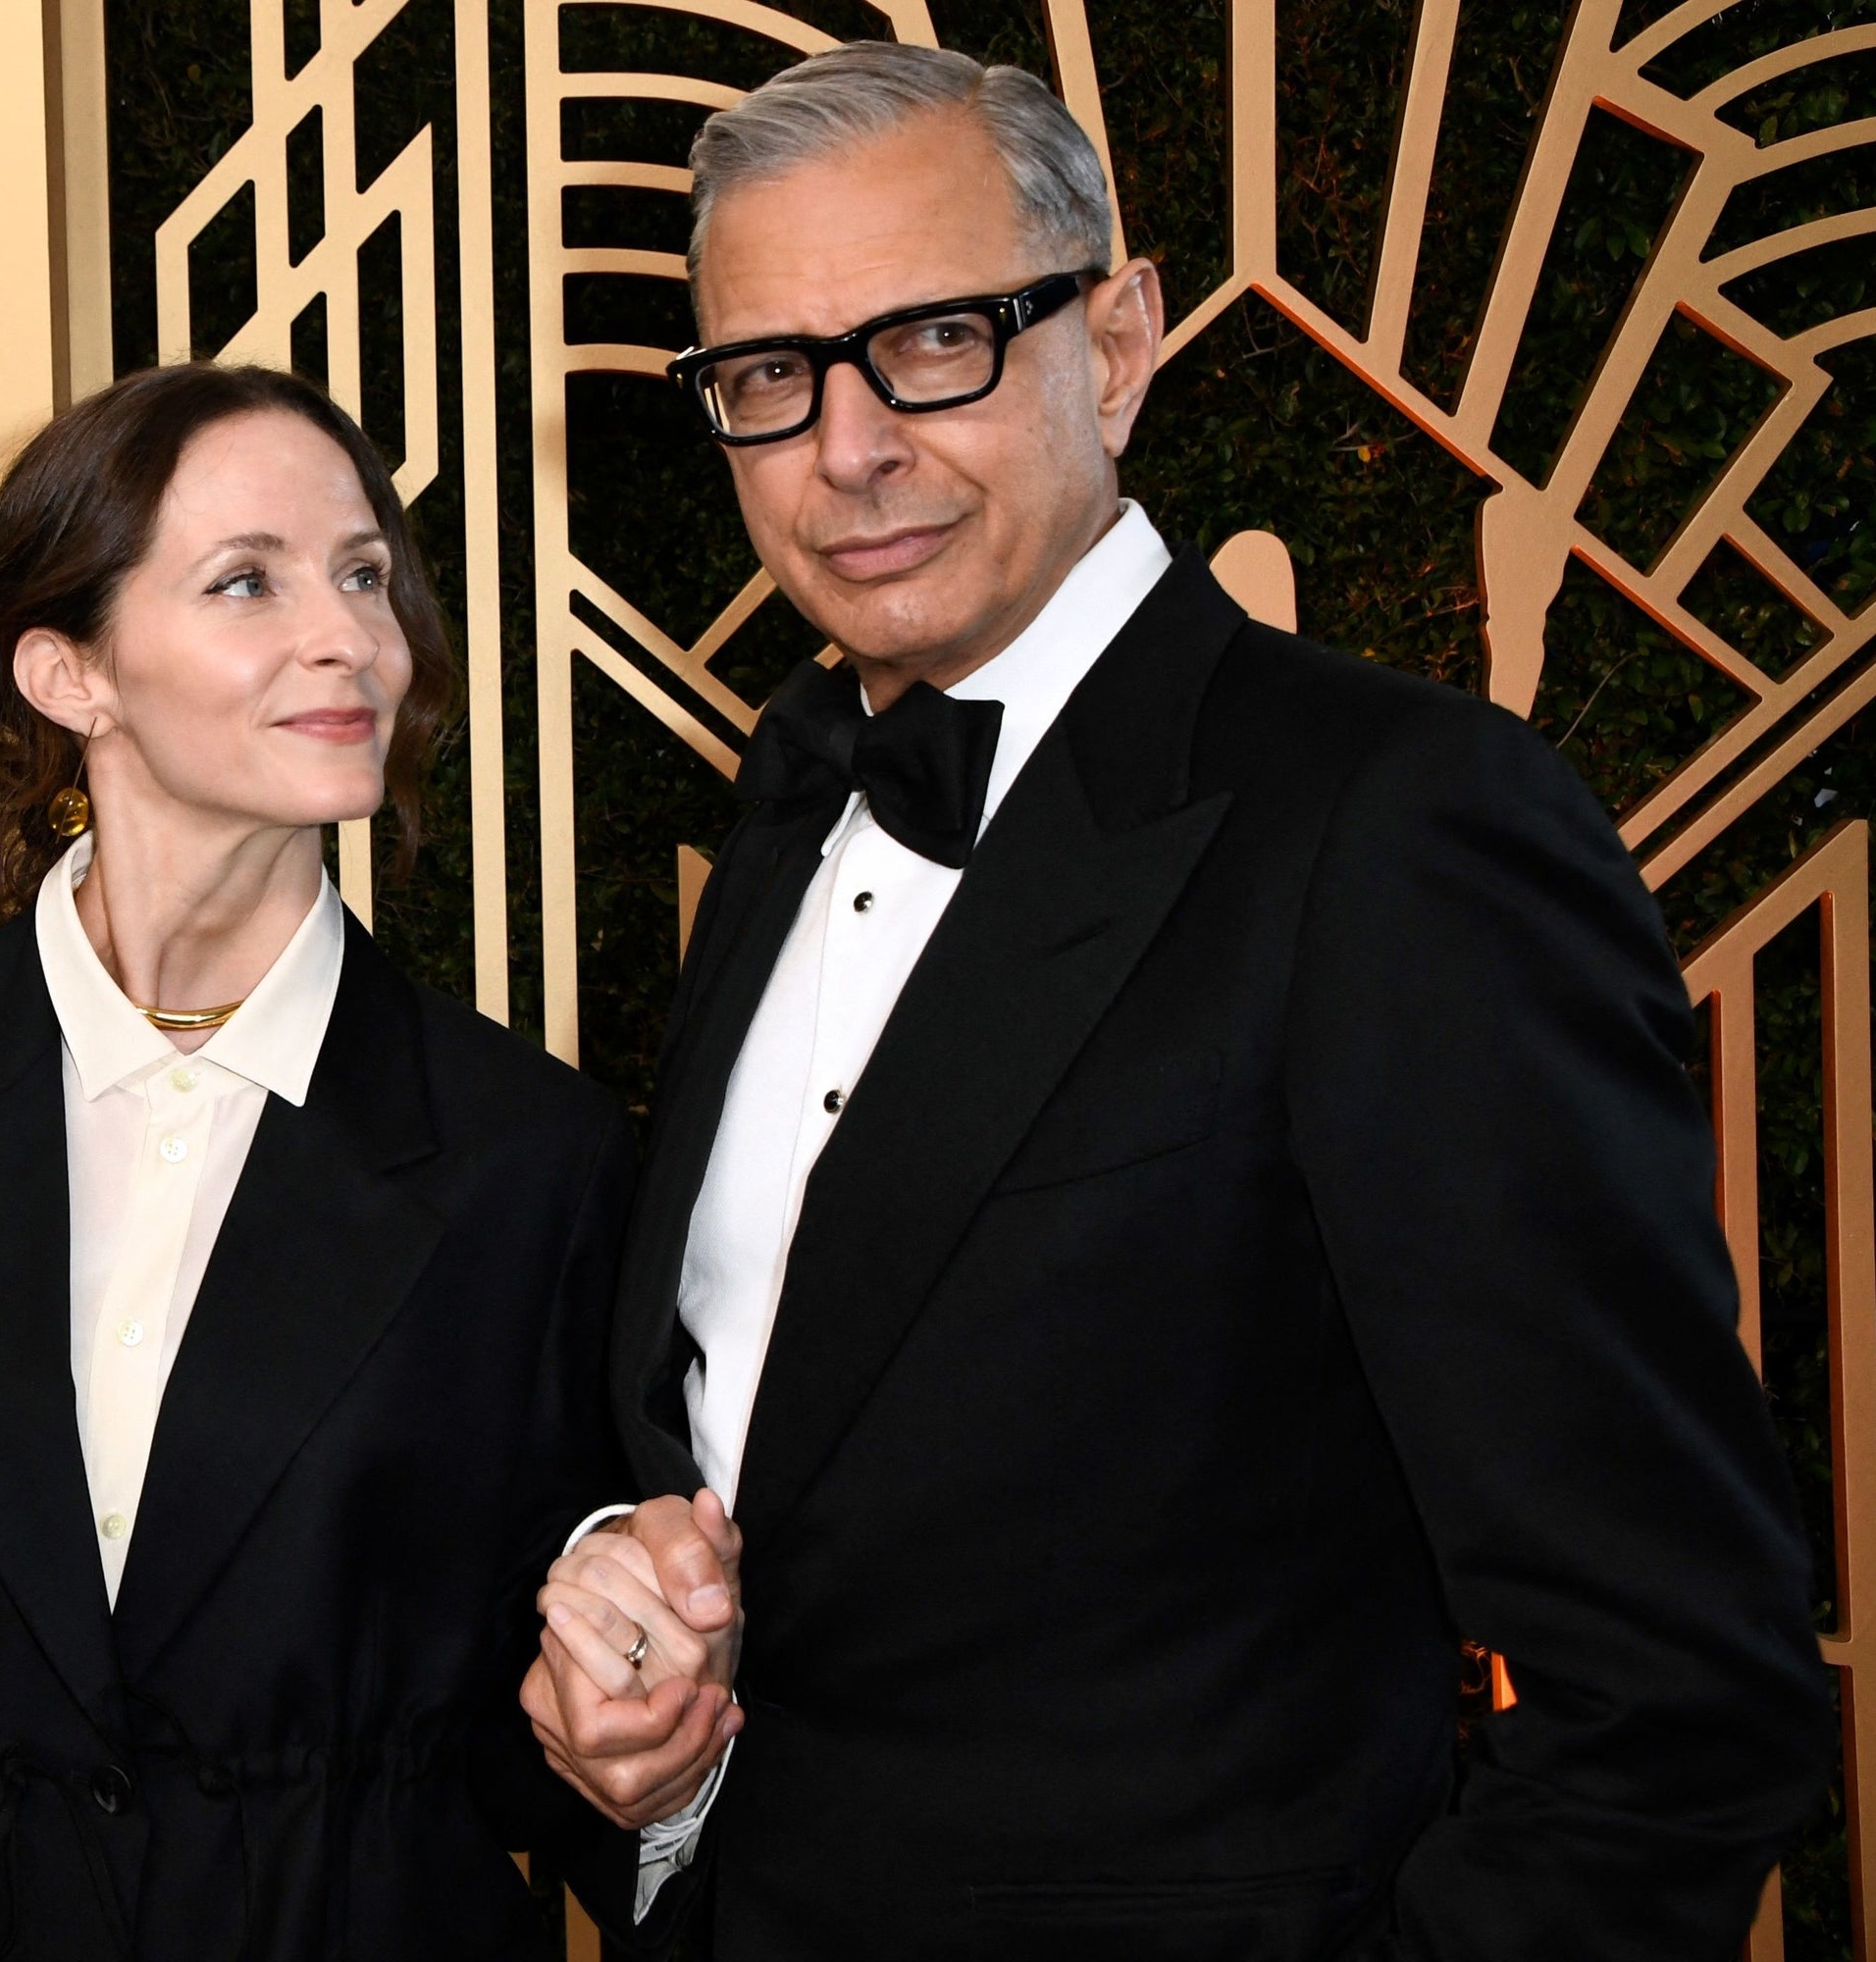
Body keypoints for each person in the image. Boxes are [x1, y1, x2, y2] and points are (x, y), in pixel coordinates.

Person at [520, 41, 1832, 1959]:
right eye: (769, 376)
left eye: (937, 338)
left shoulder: (1394, 827)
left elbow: (1675, 1688)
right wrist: (645, 1723)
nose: (848, 444)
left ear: (1117, 340)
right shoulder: (790, 803)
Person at [0, 363, 638, 1959]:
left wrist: (656, 1738)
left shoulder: (533, 1153)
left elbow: (568, 1741)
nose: (348, 637)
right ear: (68, 673)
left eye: (364, 573)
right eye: (248, 581)